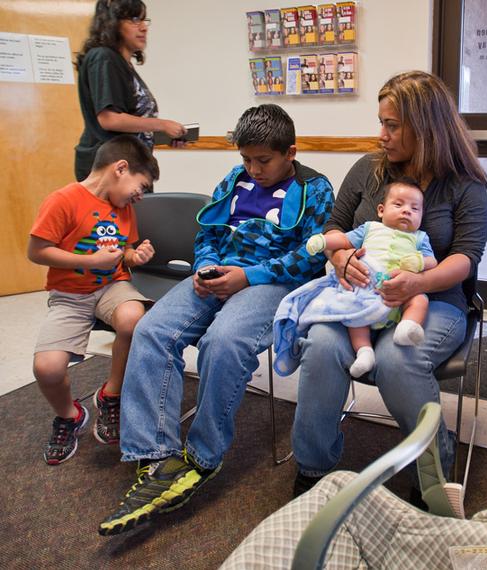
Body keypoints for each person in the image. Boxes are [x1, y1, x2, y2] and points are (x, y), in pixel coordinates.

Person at [98, 104, 335, 536]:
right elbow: (207, 232)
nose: (253, 169)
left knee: (223, 341)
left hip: (269, 283)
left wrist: (249, 276)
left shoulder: (316, 188)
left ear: (290, 152)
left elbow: (311, 258)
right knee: (151, 332)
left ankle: (202, 457)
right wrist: (204, 268)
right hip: (216, 274)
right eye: (246, 159)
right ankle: (157, 454)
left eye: (263, 161)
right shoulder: (234, 179)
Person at [289, 71, 487, 499]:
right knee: (323, 346)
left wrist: (417, 280)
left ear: (426, 127)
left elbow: (466, 259)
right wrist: (340, 257)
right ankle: (314, 466)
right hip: (359, 296)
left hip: (434, 300)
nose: (381, 134)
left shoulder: (466, 185)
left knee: (397, 359)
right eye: (382, 122)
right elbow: (335, 226)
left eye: (392, 125)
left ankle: (435, 468)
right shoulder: (368, 170)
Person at [28, 135, 159, 465]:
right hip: (69, 295)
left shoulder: (123, 208)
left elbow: (124, 252)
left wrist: (135, 255)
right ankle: (69, 415)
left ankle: (111, 394)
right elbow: (37, 252)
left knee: (134, 318)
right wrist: (89, 261)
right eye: (140, 186)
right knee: (47, 368)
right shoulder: (63, 200)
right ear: (120, 168)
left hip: (112, 286)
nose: (139, 196)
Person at [273, 178, 437, 379]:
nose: (407, 211)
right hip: (365, 289)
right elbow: (343, 239)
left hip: (401, 292)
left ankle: (407, 327)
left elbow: (432, 261)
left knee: (420, 300)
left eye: (415, 208)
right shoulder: (370, 228)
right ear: (381, 210)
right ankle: (364, 352)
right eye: (398, 204)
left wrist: (419, 263)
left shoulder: (420, 238)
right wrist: (323, 241)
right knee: (353, 314)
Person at [74, 0, 187, 182]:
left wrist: (162, 135)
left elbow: (131, 126)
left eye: (144, 20)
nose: (143, 28)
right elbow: (109, 119)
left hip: (132, 164)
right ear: (113, 23)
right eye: (134, 20)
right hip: (109, 169)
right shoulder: (104, 58)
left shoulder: (121, 63)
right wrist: (161, 124)